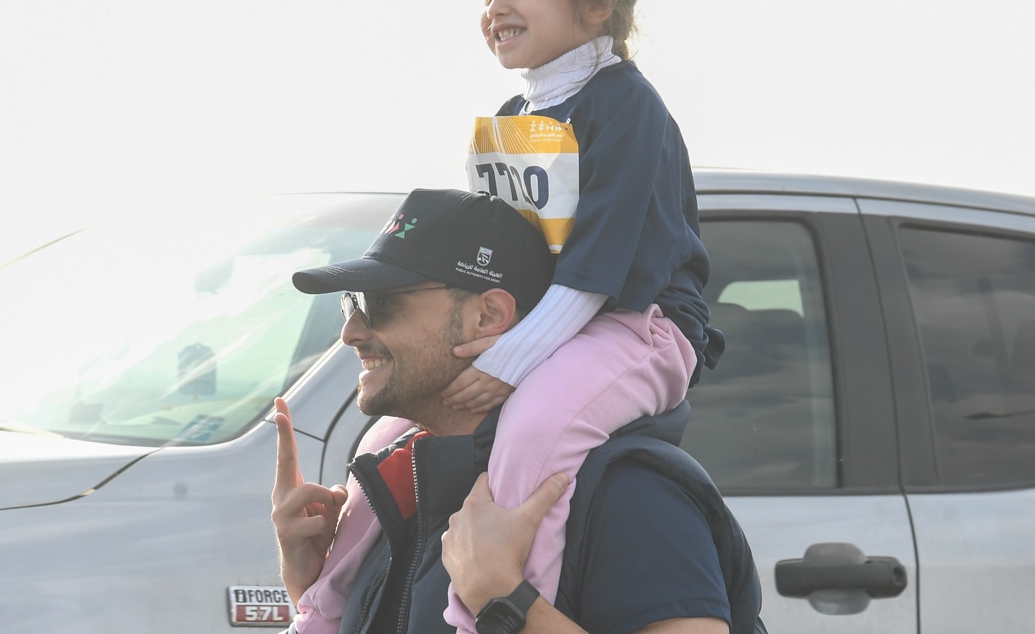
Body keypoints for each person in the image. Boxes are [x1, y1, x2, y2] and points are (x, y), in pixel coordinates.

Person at [307, 0, 726, 634]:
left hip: (641, 324)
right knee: (385, 442)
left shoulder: (628, 107)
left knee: (534, 426)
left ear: (598, 2)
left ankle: (489, 608)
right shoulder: (512, 117)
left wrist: (509, 359)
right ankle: (321, 607)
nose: (496, 7)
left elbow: (596, 270)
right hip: (549, 328)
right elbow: (496, 264)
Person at [272, 188, 766, 634]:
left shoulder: (626, 492)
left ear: (488, 316)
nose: (352, 332)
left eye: (381, 302)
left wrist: (504, 601)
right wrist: (312, 590)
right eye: (352, 303)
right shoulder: (398, 493)